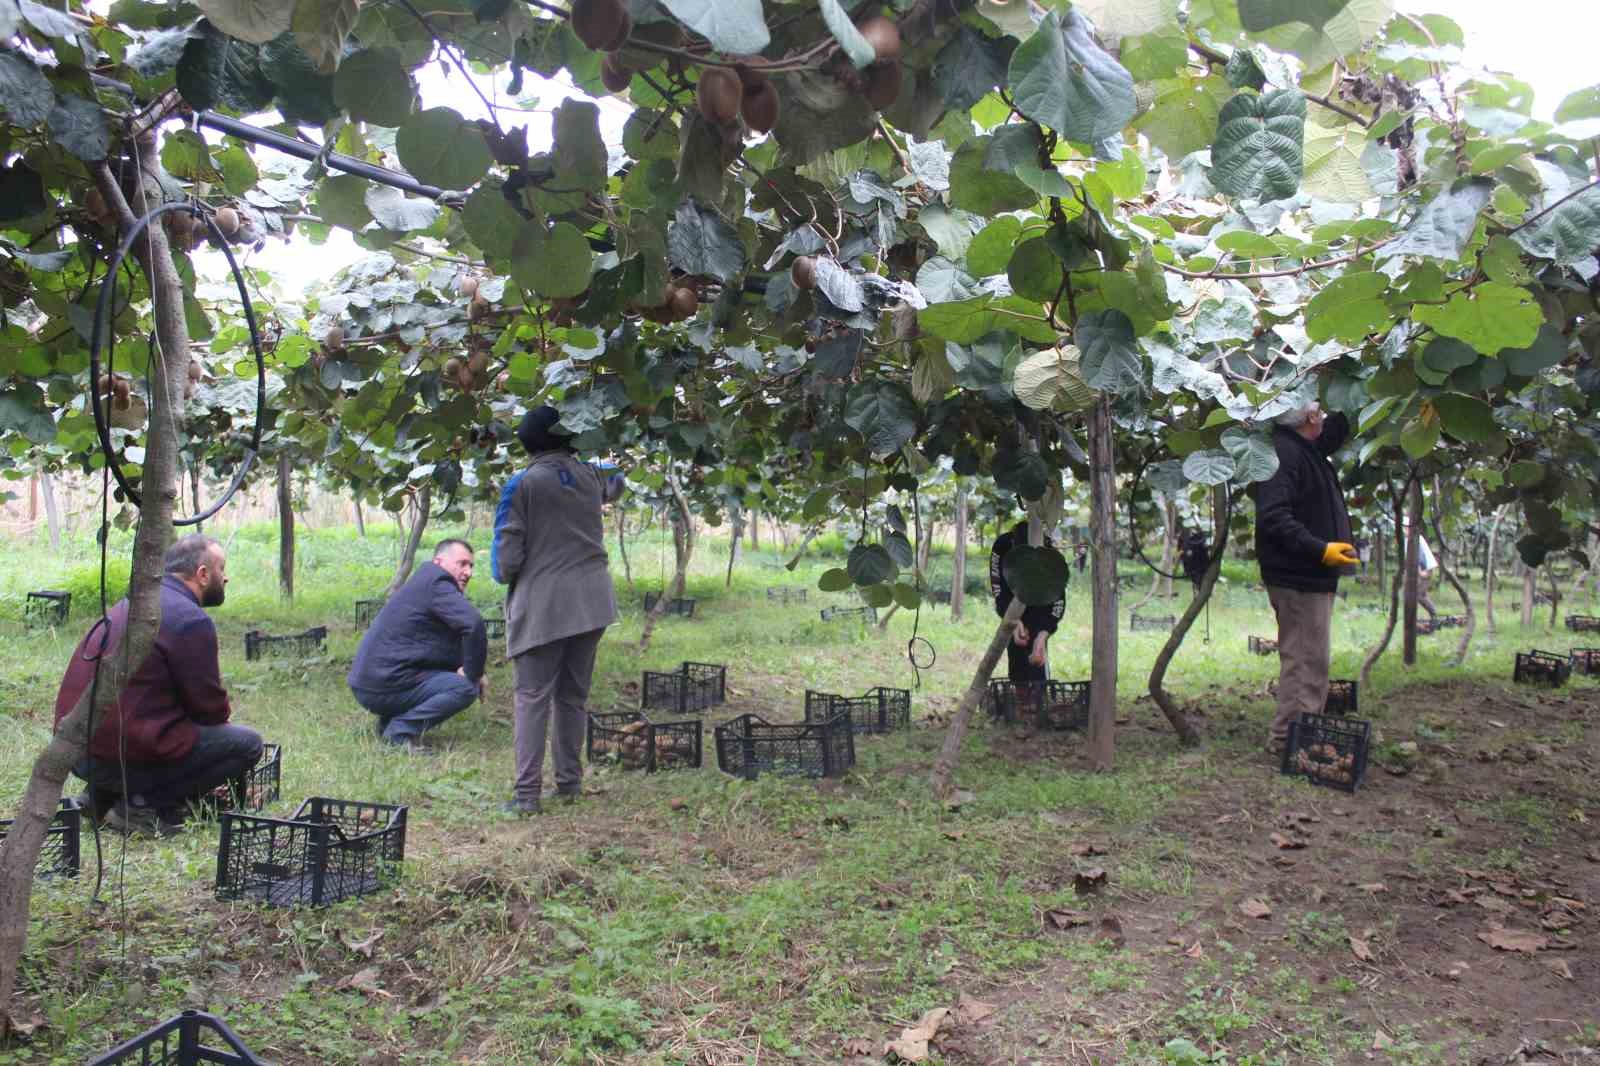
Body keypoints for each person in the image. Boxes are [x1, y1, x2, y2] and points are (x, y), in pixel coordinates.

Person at [53, 534, 263, 837]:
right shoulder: (190, 619)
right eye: (222, 569)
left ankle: (101, 797)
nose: (226, 577)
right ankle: (140, 806)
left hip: (79, 754)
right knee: (247, 745)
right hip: (123, 757)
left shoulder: (133, 602)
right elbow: (210, 711)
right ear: (203, 574)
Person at [495, 406, 618, 816]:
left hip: (545, 605)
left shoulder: (522, 484)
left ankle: (526, 795)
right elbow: (617, 480)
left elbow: (506, 561)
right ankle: (569, 782)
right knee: (573, 696)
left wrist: (508, 575)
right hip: (593, 601)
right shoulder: (592, 477)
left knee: (532, 696)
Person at [1255, 401, 1357, 752]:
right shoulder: (1285, 453)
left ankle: (1300, 735)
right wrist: (1319, 549)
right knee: (1304, 659)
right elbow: (1273, 517)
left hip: (1309, 576)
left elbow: (1336, 429)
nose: (1325, 412)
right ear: (1310, 417)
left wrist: (1344, 379)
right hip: (1298, 576)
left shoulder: (1303, 448)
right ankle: (1290, 741)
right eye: (1319, 408)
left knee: (1311, 657)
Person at [347, 539, 487, 750]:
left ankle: (389, 723)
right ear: (439, 562)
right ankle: (399, 733)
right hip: (380, 685)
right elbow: (473, 624)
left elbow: (442, 642)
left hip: (370, 683)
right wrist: (473, 673)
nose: (468, 572)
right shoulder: (437, 583)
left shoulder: (425, 582)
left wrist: (469, 666)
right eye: (462, 564)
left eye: (471, 566)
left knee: (463, 679)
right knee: (466, 687)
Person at [989, 519, 1067, 684]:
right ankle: (1021, 696)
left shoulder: (1050, 554)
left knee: (1037, 666)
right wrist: (1013, 621)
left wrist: (1043, 634)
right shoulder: (1002, 546)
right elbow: (998, 588)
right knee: (1017, 660)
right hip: (1013, 605)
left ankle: (1036, 697)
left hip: (1040, 607)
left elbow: (1058, 599)